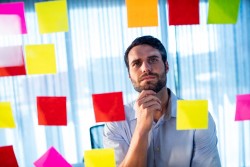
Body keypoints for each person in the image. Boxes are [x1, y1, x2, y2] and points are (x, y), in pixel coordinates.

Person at [103, 35, 221, 167]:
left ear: (166, 66)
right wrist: (141, 129)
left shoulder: (198, 114)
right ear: (129, 75)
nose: (145, 68)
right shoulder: (117, 120)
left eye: (153, 60)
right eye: (136, 63)